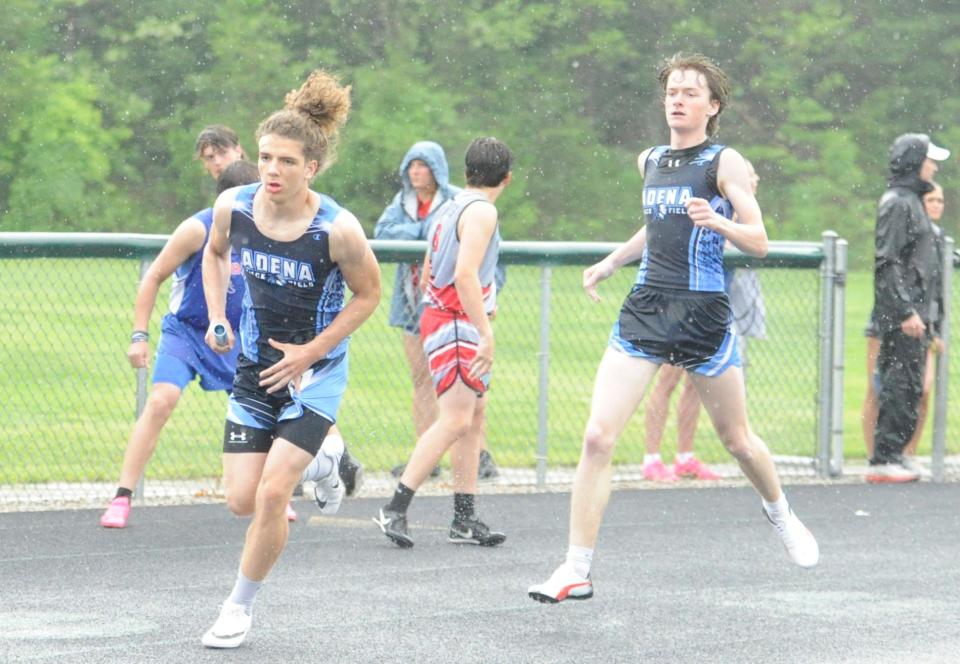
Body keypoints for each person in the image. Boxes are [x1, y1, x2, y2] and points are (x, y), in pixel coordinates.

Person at [528, 53, 820, 604]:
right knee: (597, 436)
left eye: (691, 91)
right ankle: (575, 567)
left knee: (736, 440)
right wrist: (613, 261)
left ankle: (781, 513)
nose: (678, 98)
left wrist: (720, 221)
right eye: (672, 90)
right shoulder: (651, 160)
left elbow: (759, 241)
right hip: (646, 306)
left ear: (713, 107)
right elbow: (655, 223)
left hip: (704, 312)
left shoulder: (725, 161)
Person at [199, 70, 380, 648]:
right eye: (265, 157)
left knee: (275, 495)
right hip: (253, 373)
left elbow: (370, 294)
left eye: (286, 161)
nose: (272, 170)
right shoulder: (235, 206)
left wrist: (313, 350)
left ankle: (237, 608)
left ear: (312, 169)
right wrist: (218, 317)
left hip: (314, 377)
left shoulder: (337, 229)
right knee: (240, 502)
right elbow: (213, 254)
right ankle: (330, 461)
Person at [98, 161, 260, 529]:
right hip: (186, 333)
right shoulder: (196, 229)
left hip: (237, 336)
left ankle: (270, 494)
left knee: (262, 411)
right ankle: (122, 495)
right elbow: (154, 275)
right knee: (161, 401)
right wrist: (139, 335)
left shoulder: (263, 230)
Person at [374, 137, 512, 549]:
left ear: (466, 171)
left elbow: (434, 266)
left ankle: (464, 519)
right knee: (454, 419)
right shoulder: (482, 211)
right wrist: (484, 331)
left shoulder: (448, 206)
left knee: (472, 416)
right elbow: (464, 274)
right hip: (454, 321)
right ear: (507, 178)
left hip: (446, 316)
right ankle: (394, 507)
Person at [641, 159, 766, 482]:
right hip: (683, 303)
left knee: (695, 387)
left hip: (713, 311)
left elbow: (754, 245)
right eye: (748, 180)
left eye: (753, 183)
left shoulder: (740, 220)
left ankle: (685, 456)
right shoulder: (708, 208)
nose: (751, 186)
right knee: (667, 381)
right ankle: (652, 458)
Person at [867, 145, 949, 485]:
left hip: (917, 313)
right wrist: (905, 311)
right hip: (906, 315)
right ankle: (883, 459)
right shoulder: (899, 202)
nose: (934, 168)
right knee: (899, 382)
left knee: (911, 385)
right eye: (930, 161)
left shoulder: (912, 201)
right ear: (916, 163)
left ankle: (895, 455)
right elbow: (888, 261)